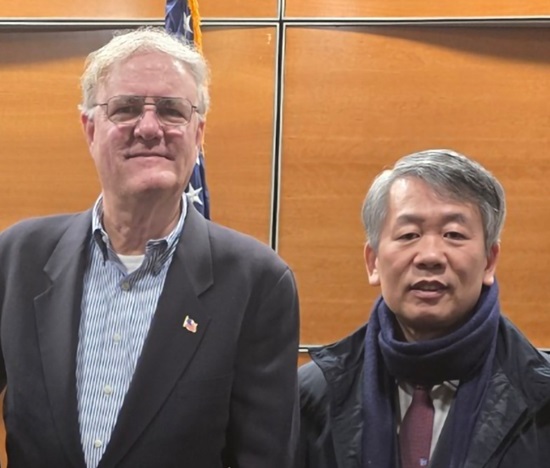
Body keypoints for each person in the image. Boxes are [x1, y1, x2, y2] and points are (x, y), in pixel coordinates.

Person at [0, 27, 299, 468]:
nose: (148, 128)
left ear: (198, 133)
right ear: (90, 129)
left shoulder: (258, 283)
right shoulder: (17, 258)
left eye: (171, 110)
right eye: (125, 108)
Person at [296, 149, 550, 468]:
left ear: (489, 261)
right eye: (409, 235)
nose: (430, 256)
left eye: (453, 234)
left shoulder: (542, 396)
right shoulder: (311, 397)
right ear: (373, 263)